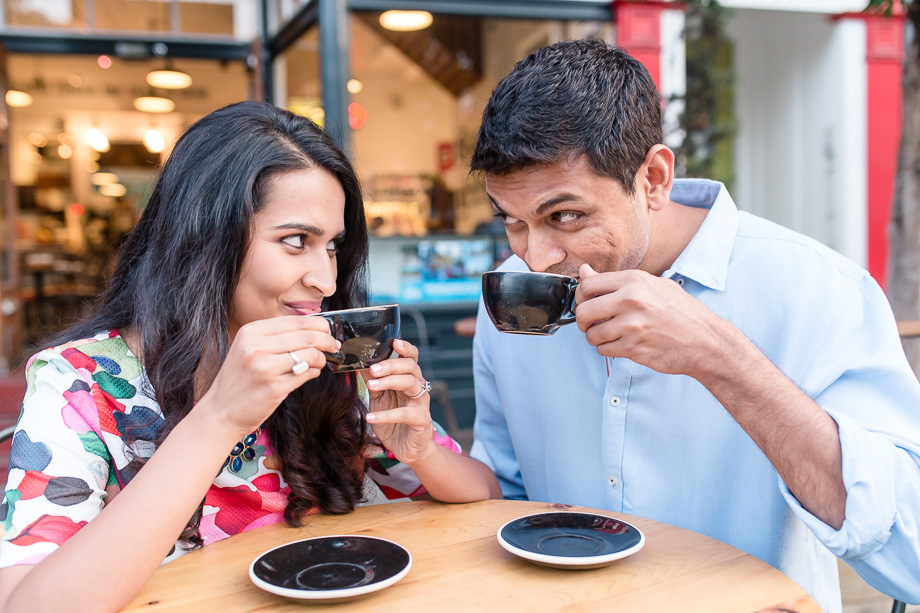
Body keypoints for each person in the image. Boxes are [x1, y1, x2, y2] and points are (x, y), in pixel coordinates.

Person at [468, 39, 920, 612]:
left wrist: (718, 355)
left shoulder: (818, 290)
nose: (536, 258)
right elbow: (502, 495)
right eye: (512, 222)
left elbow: (912, 554)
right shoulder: (514, 299)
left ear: (654, 178)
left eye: (565, 216)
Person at [0, 101, 500, 612]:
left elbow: (484, 496)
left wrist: (422, 452)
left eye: (331, 246)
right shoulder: (81, 384)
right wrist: (218, 418)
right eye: (295, 241)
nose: (326, 282)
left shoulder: (327, 363)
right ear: (206, 237)